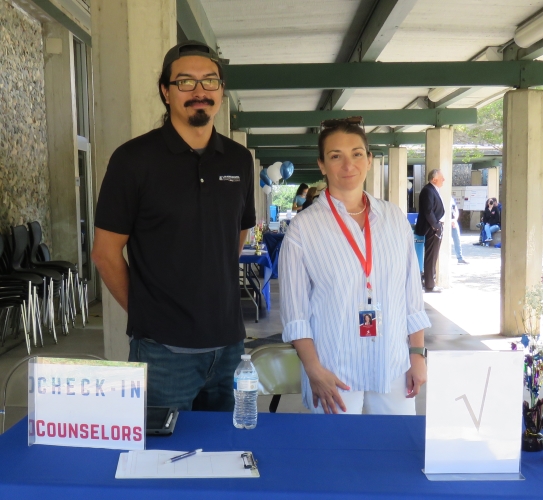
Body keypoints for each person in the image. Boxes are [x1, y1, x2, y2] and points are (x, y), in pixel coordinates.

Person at [91, 40, 256, 412]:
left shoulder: (239, 159)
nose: (199, 91)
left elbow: (237, 234)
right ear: (166, 92)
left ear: (221, 91)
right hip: (163, 352)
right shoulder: (133, 160)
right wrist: (147, 312)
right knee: (159, 461)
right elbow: (104, 253)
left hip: (229, 346)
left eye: (209, 81)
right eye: (185, 82)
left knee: (226, 456)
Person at [279, 117, 430, 416]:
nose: (349, 165)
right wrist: (313, 370)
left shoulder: (394, 219)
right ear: (322, 164)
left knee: (395, 452)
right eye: (336, 156)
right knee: (336, 458)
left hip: (392, 363)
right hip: (333, 370)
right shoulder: (304, 228)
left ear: (370, 160)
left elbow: (411, 294)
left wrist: (417, 353)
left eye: (357, 154)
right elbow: (295, 313)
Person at [415, 169, 445, 293]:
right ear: (434, 179)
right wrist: (436, 226)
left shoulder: (433, 190)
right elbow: (428, 211)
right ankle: (429, 284)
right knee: (430, 257)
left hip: (435, 227)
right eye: (441, 177)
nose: (444, 179)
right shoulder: (428, 190)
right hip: (431, 229)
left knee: (433, 256)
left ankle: (430, 282)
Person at [451, 197, 468, 264]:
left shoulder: (452, 199)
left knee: (457, 240)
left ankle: (460, 258)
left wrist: (454, 220)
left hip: (454, 222)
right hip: (446, 222)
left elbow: (456, 210)